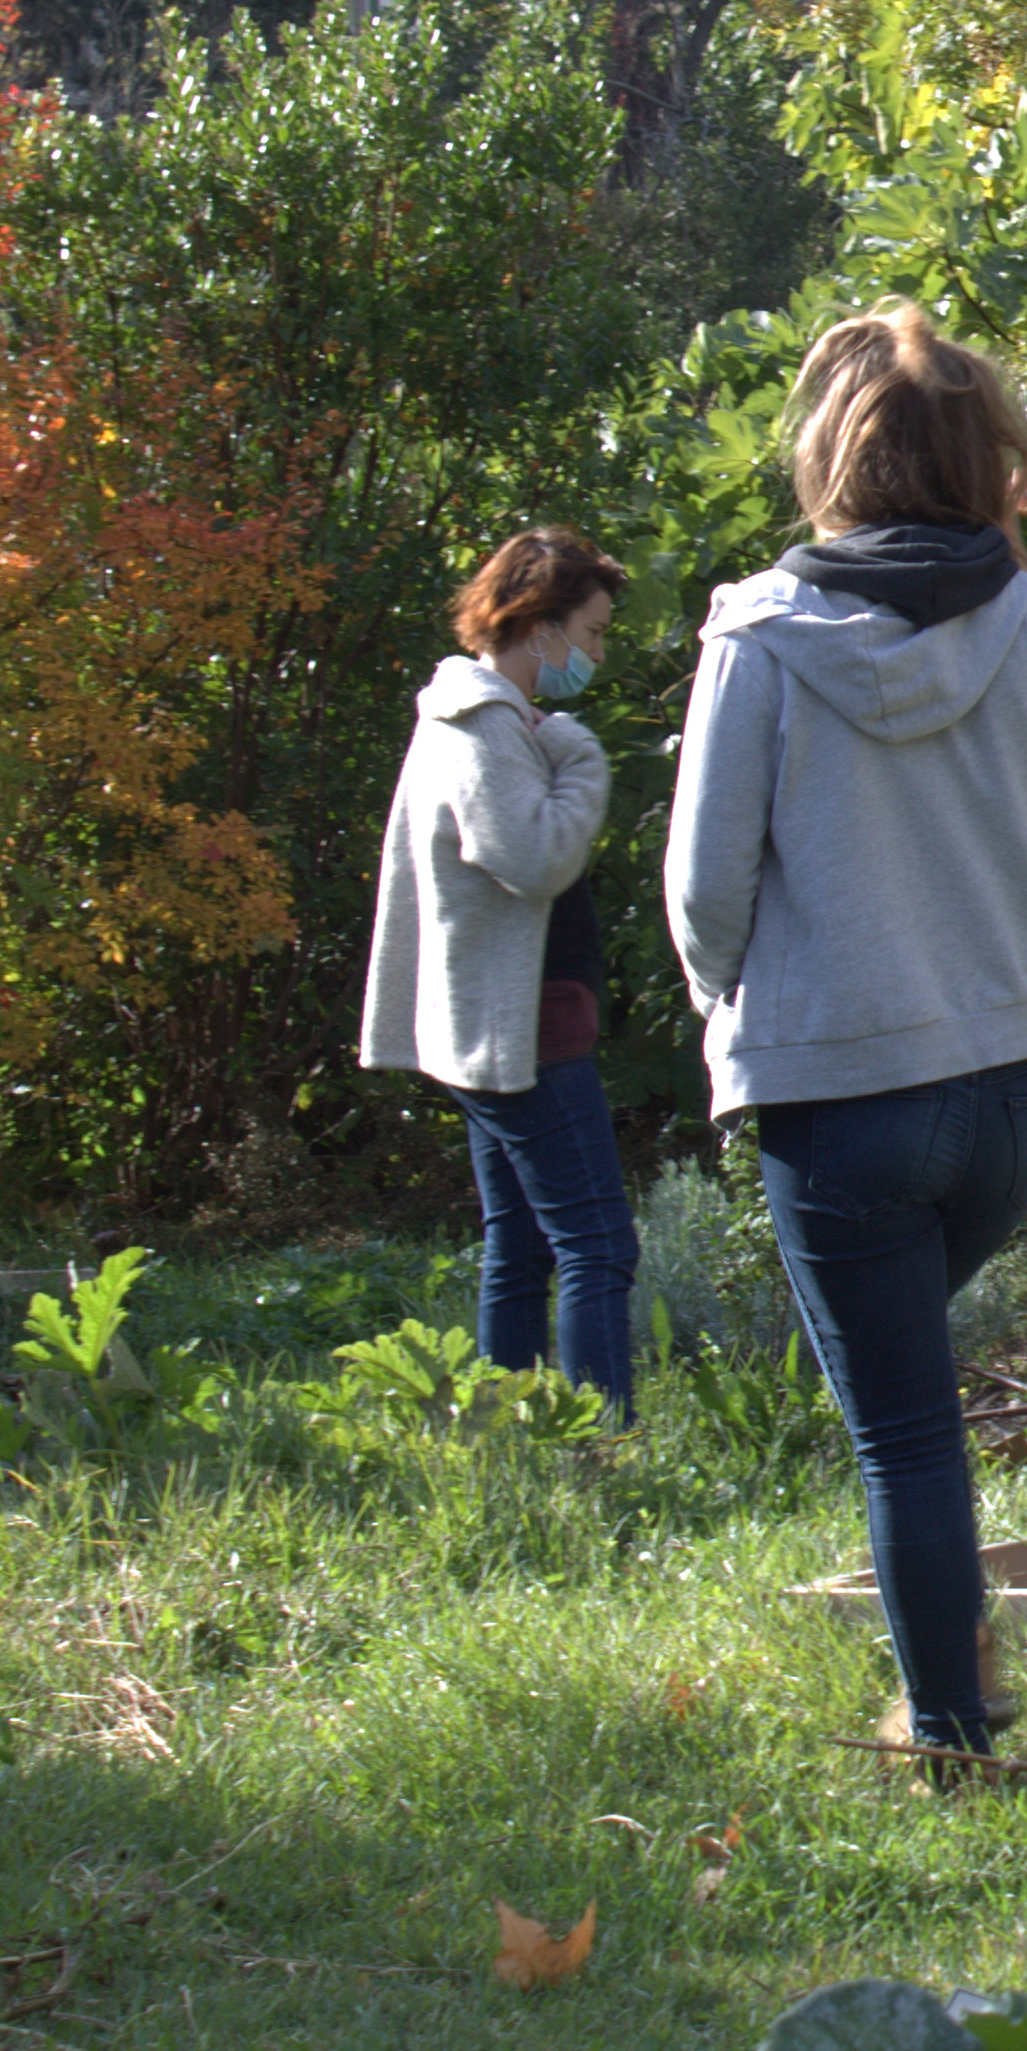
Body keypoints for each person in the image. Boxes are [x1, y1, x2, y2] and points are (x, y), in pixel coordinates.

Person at [669, 303, 1027, 1761]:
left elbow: (703, 886)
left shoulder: (757, 634)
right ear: (985, 462)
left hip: (842, 1092)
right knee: (901, 1390)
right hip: (1012, 1094)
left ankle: (949, 1721)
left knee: (901, 1428)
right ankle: (955, 1663)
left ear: (832, 455)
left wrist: (729, 1012)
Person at [362, 527, 644, 1416]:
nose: (597, 654)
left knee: (518, 1246)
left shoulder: (482, 718)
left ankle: (503, 1435)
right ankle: (600, 1442)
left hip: (499, 1020)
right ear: (539, 624)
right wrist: (582, 762)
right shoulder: (483, 724)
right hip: (524, 1027)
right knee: (598, 1244)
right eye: (591, 632)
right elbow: (533, 858)